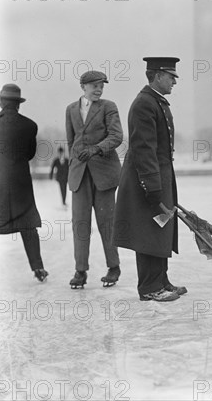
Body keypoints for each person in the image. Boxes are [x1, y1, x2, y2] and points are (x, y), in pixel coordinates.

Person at [113, 57, 186, 302]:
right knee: (149, 231)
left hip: (159, 177)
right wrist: (153, 187)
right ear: (156, 76)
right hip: (147, 180)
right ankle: (149, 287)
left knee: (160, 229)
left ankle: (161, 280)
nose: (175, 81)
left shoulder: (156, 102)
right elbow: (144, 149)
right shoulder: (145, 103)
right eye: (171, 76)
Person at [65, 71, 123, 289]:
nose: (99, 90)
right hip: (79, 175)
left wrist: (96, 149)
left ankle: (113, 267)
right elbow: (72, 142)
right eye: (94, 86)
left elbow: (116, 136)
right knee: (79, 223)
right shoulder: (71, 109)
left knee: (107, 222)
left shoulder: (109, 106)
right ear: (83, 87)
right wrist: (75, 163)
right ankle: (80, 271)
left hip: (104, 174)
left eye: (101, 86)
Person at [0, 84, 48, 282]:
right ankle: (38, 268)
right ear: (18, 105)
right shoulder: (29, 125)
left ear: (0, 101)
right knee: (28, 225)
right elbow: (30, 154)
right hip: (20, 184)